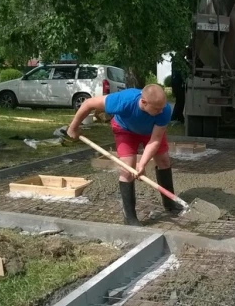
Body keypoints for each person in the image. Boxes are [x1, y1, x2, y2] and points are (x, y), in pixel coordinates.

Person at [66, 84, 180, 226]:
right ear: (144, 102)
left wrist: (143, 163)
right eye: (157, 108)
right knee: (127, 169)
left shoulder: (164, 110)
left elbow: (155, 140)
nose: (161, 110)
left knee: (163, 161)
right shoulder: (123, 100)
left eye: (162, 107)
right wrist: (73, 127)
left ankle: (170, 203)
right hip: (125, 130)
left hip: (151, 132)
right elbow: (88, 103)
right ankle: (130, 217)